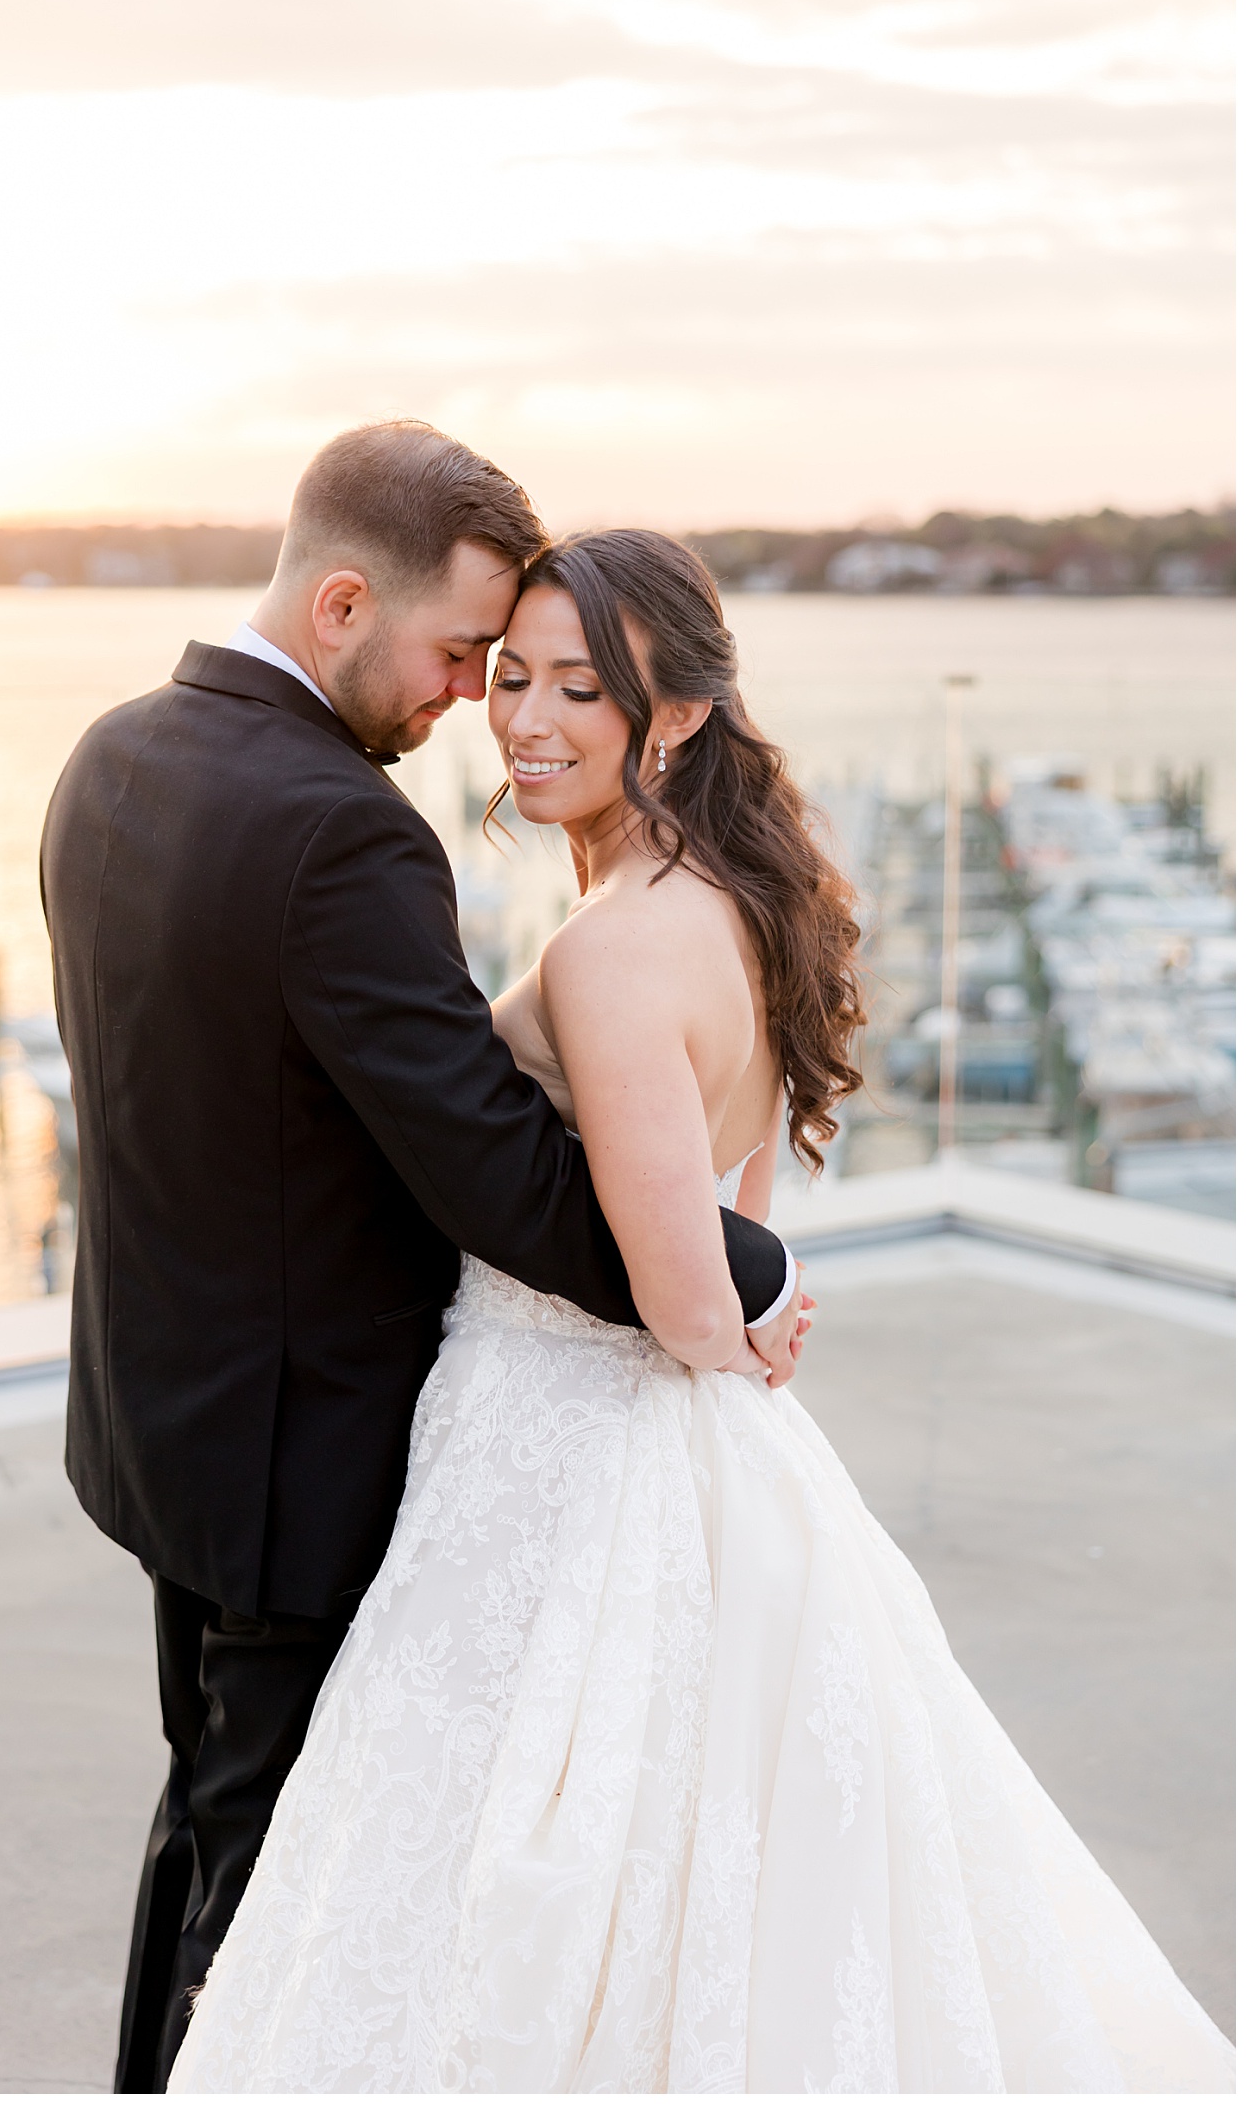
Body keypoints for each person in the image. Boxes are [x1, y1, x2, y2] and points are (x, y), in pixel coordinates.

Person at [167, 529, 1234, 2095]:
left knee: (516, 1875)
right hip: (692, 1450)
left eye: (578, 689)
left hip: (561, 1447)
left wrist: (724, 1313)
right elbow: (740, 1223)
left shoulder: (609, 951)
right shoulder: (745, 899)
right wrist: (755, 1305)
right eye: (509, 676)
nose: (524, 717)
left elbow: (675, 1288)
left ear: (669, 717)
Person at [40, 429, 802, 2094]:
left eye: (527, 672)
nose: (476, 701)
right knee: (273, 1898)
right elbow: (499, 1173)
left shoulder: (109, 757)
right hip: (294, 1466)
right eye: (465, 655)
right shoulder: (343, 832)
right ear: (336, 602)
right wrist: (742, 1271)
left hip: (156, 1425)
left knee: (211, 1815)